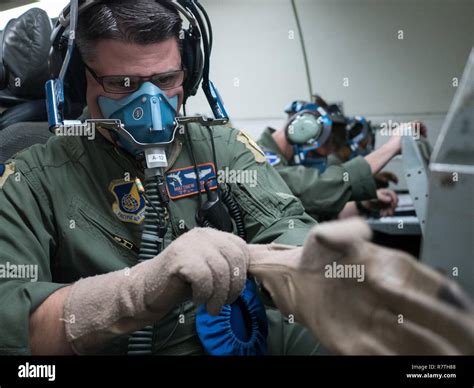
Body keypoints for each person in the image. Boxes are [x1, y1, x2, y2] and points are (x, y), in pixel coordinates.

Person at [0, 0, 323, 356]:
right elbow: (13, 322)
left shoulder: (219, 145)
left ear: (191, 71)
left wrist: (308, 265)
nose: (151, 104)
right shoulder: (31, 180)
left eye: (166, 80)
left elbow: (287, 225)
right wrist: (139, 292)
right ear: (78, 79)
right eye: (123, 83)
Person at [258, 98, 401, 221]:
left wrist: (362, 205)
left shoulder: (282, 162)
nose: (323, 160)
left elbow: (315, 212)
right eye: (315, 154)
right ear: (299, 131)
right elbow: (313, 189)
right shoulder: (262, 161)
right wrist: (390, 147)